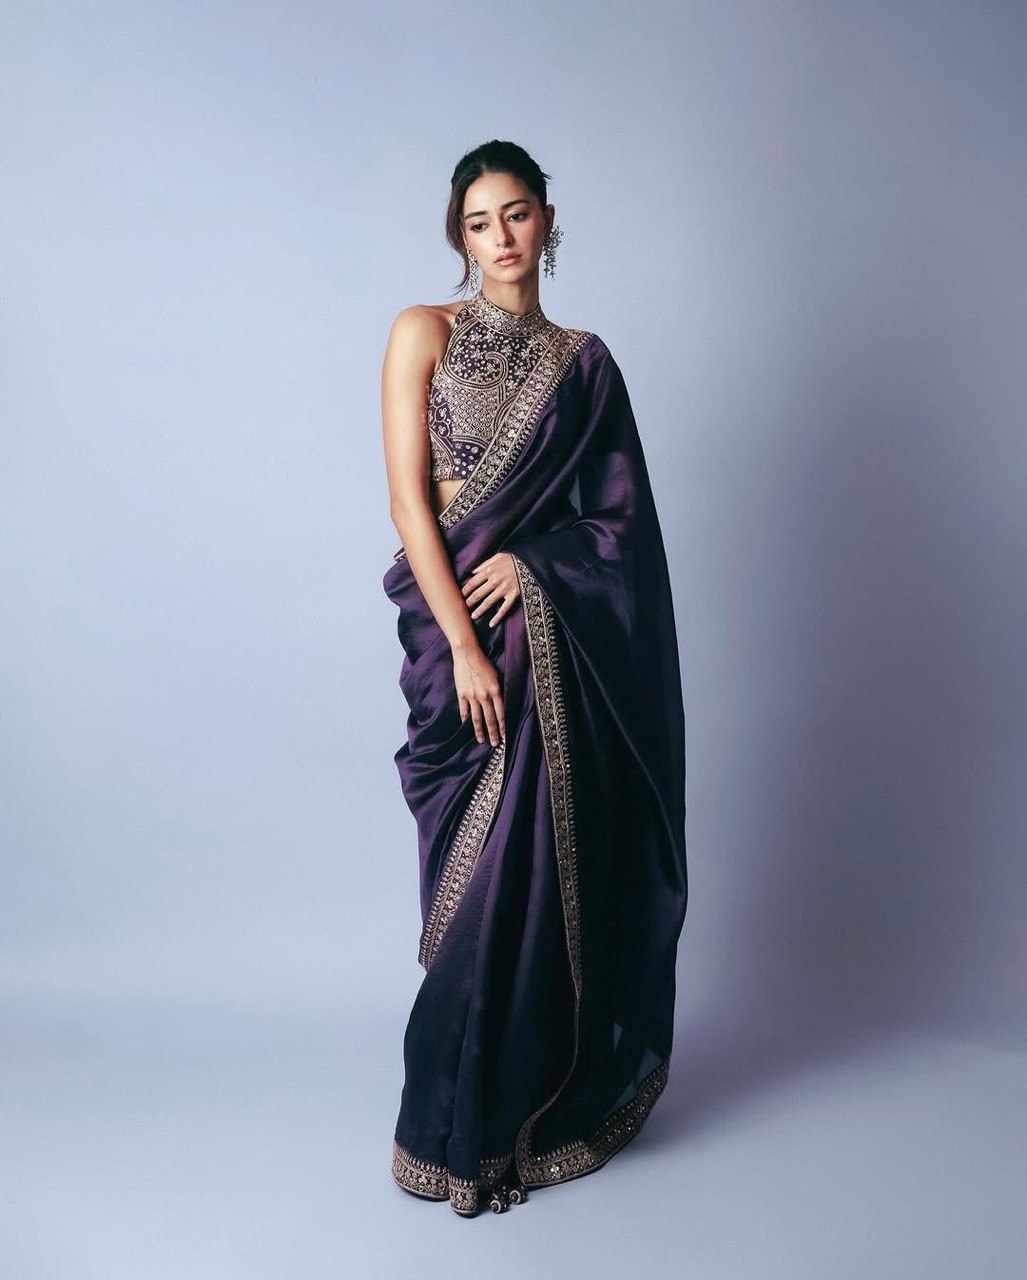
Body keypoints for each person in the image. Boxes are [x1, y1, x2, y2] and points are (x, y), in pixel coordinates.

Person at [380, 139, 688, 1217]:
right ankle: (444, 1120)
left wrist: (537, 564)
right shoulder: (422, 330)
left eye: (515, 214)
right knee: (473, 874)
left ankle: (510, 1117)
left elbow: (621, 525)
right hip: (456, 639)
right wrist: (463, 644)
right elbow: (410, 503)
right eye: (479, 222)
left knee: (531, 864)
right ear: (459, 237)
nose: (500, 237)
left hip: (541, 641)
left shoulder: (584, 363)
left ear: (547, 220)